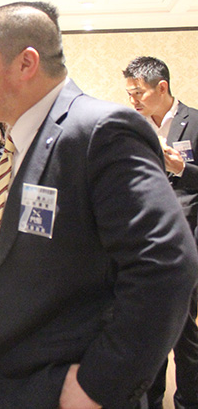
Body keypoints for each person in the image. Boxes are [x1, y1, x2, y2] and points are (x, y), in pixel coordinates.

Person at [0, 1, 198, 408]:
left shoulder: (101, 131)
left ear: (26, 63)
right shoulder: (15, 143)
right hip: (7, 378)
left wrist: (97, 385)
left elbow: (166, 265)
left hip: (59, 386)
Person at [122, 56, 198, 409]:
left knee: (183, 331)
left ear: (162, 87)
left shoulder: (194, 122)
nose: (133, 100)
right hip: (141, 240)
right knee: (147, 331)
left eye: (138, 92)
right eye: (129, 93)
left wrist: (182, 167)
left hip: (185, 239)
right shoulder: (131, 127)